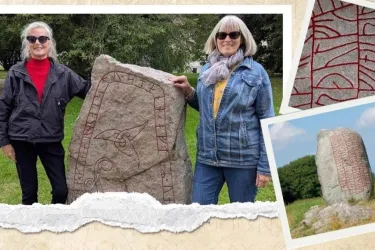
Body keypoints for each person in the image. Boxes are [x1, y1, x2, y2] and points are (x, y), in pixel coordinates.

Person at [170, 15, 275, 205]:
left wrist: (265, 166)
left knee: (241, 219)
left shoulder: (256, 72)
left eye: (234, 34)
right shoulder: (206, 70)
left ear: (242, 39)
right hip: (208, 158)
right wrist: (188, 91)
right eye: (222, 35)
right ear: (215, 39)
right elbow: (207, 108)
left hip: (243, 160)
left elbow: (267, 119)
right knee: (199, 213)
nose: (227, 39)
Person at [0, 21, 91, 205]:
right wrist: (5, 142)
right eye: (32, 38)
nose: (38, 42)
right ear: (27, 43)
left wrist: (112, 76)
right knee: (29, 194)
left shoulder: (64, 74)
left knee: (61, 191)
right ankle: (31, 231)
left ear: (50, 42)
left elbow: (90, 90)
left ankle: (54, 226)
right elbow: (4, 108)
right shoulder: (15, 73)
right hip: (21, 140)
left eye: (42, 38)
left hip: (51, 139)